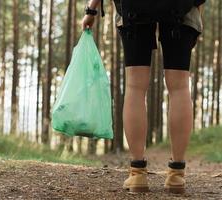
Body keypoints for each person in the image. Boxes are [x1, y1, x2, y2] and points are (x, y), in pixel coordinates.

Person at [82, 0, 205, 194]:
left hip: (134, 8)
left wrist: (91, 9)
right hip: (183, 8)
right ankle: (176, 176)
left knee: (135, 86)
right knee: (180, 87)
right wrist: (198, 12)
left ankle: (137, 173)